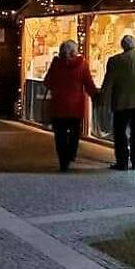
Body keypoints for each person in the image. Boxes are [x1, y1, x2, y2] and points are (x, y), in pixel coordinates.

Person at [101, 35, 135, 171]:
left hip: (121, 103)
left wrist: (103, 99)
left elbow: (108, 82)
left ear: (122, 46)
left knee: (120, 133)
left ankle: (122, 162)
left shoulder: (114, 61)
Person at [43, 40, 98, 172]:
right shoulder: (82, 64)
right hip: (76, 105)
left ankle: (63, 160)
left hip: (59, 105)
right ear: (75, 51)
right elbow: (88, 83)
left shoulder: (56, 64)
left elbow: (47, 82)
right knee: (74, 133)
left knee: (60, 135)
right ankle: (71, 153)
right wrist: (96, 96)